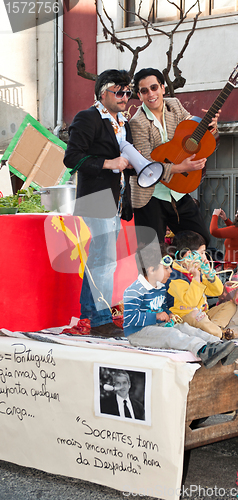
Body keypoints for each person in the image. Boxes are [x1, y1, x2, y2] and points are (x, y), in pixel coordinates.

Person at [63, 69, 133, 338]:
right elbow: (72, 158)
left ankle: (92, 316)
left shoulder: (123, 123)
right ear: (103, 92)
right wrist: (108, 163)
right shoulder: (88, 117)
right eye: (119, 91)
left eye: (127, 92)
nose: (125, 96)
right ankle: (99, 317)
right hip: (94, 198)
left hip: (114, 200)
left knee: (104, 260)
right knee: (104, 260)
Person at [129, 67, 216, 246]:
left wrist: (210, 126)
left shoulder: (174, 105)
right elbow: (146, 164)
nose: (150, 94)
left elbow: (192, 128)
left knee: (200, 241)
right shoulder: (137, 122)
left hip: (177, 191)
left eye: (154, 88)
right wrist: (181, 168)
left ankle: (184, 271)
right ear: (139, 95)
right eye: (144, 91)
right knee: (151, 253)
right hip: (150, 196)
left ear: (162, 88)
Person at [123, 241, 238, 369]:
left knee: (185, 328)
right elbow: (130, 319)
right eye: (166, 268)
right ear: (151, 270)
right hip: (138, 333)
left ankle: (219, 345)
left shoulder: (160, 287)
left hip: (158, 326)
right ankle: (204, 351)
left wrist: (168, 314)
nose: (170, 271)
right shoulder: (133, 291)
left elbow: (162, 307)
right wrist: (156, 316)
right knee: (172, 335)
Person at [165, 230, 238, 339]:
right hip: (185, 318)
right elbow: (191, 303)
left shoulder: (197, 270)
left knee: (230, 305)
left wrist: (210, 276)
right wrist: (196, 277)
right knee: (196, 315)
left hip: (203, 315)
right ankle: (220, 334)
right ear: (188, 255)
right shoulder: (174, 276)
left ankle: (214, 330)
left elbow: (218, 292)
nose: (204, 257)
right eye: (202, 253)